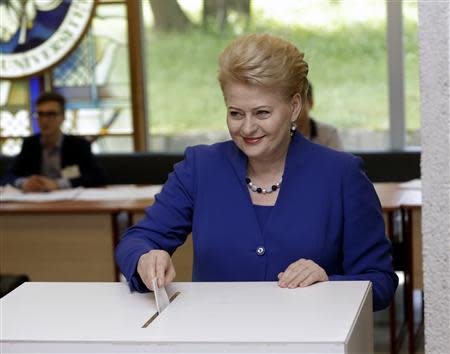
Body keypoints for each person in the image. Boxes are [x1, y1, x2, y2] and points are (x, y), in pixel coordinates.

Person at [115, 34, 398, 311]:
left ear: (295, 107)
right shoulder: (199, 168)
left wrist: (329, 283)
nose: (247, 128)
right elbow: (137, 240)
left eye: (262, 113)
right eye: (236, 113)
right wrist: (144, 258)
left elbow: (381, 281)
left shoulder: (341, 175)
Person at [1, 92, 107, 192]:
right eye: (40, 114)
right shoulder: (30, 144)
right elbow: (8, 176)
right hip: (35, 203)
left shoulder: (78, 145)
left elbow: (99, 177)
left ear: (63, 117)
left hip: (71, 204)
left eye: (50, 114)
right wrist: (24, 183)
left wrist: (58, 184)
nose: (44, 120)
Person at [297, 83, 343, 150]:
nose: (295, 109)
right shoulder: (281, 135)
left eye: (299, 103)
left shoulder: (329, 134)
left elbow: (339, 160)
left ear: (311, 103)